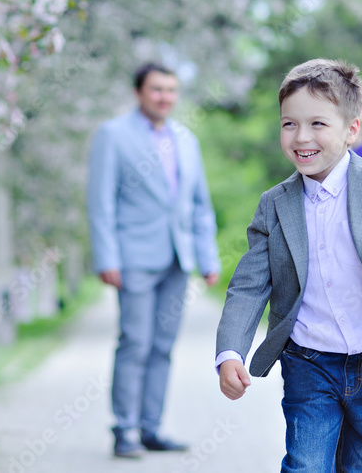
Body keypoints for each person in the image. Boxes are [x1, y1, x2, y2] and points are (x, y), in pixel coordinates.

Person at [215, 58, 362, 472]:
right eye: (289, 124)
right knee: (306, 465)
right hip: (309, 359)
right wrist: (229, 351)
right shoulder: (274, 204)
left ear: (351, 130)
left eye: (318, 124)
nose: (301, 136)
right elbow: (248, 287)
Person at [88, 62, 221, 459]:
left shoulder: (186, 139)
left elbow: (199, 205)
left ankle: (150, 427)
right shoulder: (113, 135)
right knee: (135, 342)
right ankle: (124, 429)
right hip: (133, 258)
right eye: (156, 89)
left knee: (163, 346)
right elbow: (101, 201)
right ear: (138, 92)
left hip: (177, 260)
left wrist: (207, 256)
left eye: (171, 90)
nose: (165, 97)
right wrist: (106, 256)